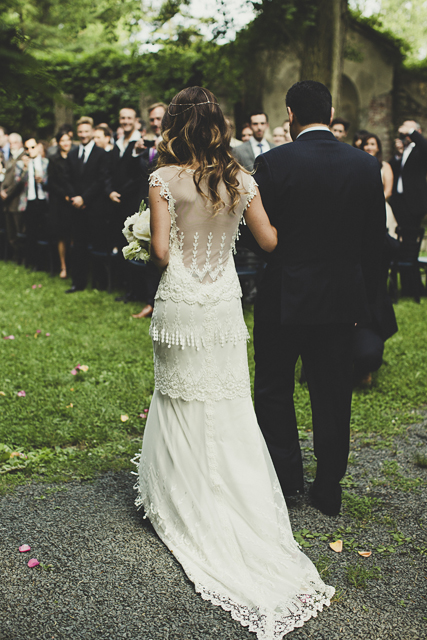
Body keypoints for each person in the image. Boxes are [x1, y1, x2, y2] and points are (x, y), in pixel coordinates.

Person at [133, 85, 334, 639]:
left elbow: (163, 251)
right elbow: (268, 241)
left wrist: (141, 232)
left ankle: (178, 492)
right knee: (225, 397)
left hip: (181, 300)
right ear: (219, 126)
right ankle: (233, 496)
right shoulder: (241, 179)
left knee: (175, 393)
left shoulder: (162, 180)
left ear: (174, 125)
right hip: (222, 302)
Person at [242, 80, 385, 517]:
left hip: (284, 297)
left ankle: (285, 482)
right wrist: (369, 304)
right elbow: (375, 244)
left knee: (272, 387)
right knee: (332, 392)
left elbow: (257, 236)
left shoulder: (273, 163)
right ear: (332, 110)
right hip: (341, 302)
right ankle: (327, 487)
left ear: (290, 115)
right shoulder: (365, 165)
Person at [63, 116, 108, 292]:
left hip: (94, 207)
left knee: (97, 246)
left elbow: (101, 180)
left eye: (86, 131)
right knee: (78, 247)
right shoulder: (72, 154)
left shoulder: (101, 154)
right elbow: (67, 178)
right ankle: (78, 282)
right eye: (80, 131)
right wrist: (75, 197)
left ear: (92, 132)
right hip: (76, 208)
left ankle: (99, 282)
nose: (83, 135)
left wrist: (84, 198)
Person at [14, 135, 49, 267]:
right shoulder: (21, 164)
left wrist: (43, 180)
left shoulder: (46, 162)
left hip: (43, 200)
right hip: (28, 201)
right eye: (27, 148)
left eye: (33, 147)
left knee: (44, 231)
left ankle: (44, 263)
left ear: (38, 147)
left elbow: (51, 182)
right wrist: (25, 169)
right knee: (30, 232)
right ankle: (31, 262)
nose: (31, 150)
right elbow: (17, 183)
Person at [389, 120, 427, 229]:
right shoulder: (403, 150)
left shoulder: (420, 149)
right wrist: (398, 155)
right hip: (398, 201)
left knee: (411, 236)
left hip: (414, 202)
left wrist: (410, 131)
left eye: (409, 131)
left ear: (418, 131)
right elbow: (392, 170)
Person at [47, 130, 73, 279]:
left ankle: (74, 266)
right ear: (58, 143)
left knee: (73, 235)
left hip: (74, 202)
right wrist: (65, 195)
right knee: (61, 236)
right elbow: (51, 182)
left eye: (67, 140)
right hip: (59, 203)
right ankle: (63, 267)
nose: (65, 143)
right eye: (62, 140)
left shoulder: (75, 158)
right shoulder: (54, 159)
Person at [362, 133, 397, 237]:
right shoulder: (358, 165)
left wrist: (373, 202)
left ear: (378, 148)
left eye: (372, 144)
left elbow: (388, 191)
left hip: (380, 207)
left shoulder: (385, 166)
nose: (369, 147)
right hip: (361, 207)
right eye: (366, 144)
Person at [0, 133, 25, 259]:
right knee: (11, 232)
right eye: (10, 143)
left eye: (14, 142)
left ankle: (21, 257)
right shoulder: (10, 158)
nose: (12, 145)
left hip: (17, 200)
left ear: (20, 143)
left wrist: (7, 192)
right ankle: (14, 257)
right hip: (7, 201)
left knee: (19, 230)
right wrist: (1, 190)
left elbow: (19, 181)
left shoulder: (23, 157)